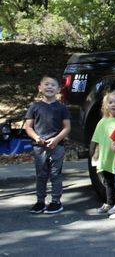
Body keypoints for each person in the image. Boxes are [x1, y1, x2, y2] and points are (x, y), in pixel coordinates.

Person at [25, 75, 71, 214]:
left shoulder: (62, 108)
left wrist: (56, 139)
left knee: (55, 174)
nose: (49, 87)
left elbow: (67, 127)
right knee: (41, 174)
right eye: (46, 84)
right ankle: (40, 201)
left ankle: (56, 201)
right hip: (39, 146)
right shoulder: (34, 106)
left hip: (57, 146)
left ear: (58, 89)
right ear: (40, 87)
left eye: (53, 85)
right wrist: (36, 138)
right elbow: (28, 126)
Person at [91, 90, 115, 215]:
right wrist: (94, 153)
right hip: (105, 158)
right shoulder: (102, 121)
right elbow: (96, 139)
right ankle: (109, 203)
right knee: (108, 183)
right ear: (106, 105)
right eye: (110, 102)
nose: (113, 105)